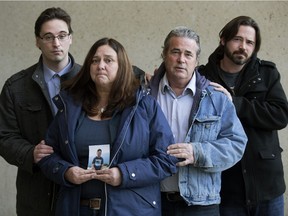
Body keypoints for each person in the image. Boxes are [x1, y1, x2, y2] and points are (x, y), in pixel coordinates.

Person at [37, 37, 178, 216]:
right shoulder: (70, 107)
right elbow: (47, 155)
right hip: (76, 208)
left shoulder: (143, 106)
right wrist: (66, 172)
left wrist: (124, 174)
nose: (100, 65)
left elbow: (166, 161)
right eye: (95, 60)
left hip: (130, 210)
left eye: (108, 60)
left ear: (122, 67)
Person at [149, 26, 248, 216]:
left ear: (197, 61)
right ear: (164, 54)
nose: (181, 59)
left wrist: (197, 152)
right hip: (152, 201)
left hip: (201, 203)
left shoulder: (216, 98)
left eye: (188, 54)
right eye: (175, 52)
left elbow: (237, 144)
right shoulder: (144, 95)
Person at [198, 16, 288, 216]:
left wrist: (235, 103)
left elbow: (280, 115)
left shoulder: (267, 73)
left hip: (267, 185)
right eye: (238, 39)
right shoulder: (202, 77)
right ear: (223, 39)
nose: (243, 47)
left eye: (250, 42)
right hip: (226, 187)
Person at [0, 7, 81, 216]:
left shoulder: (89, 80)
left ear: (70, 38)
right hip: (35, 193)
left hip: (81, 191)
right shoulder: (16, 87)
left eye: (62, 36)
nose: (56, 43)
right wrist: (30, 153)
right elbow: (4, 136)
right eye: (48, 37)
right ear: (37, 41)